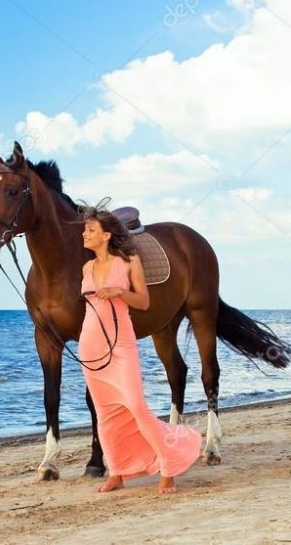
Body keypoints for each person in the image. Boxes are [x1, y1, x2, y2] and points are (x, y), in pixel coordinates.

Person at [78, 203, 202, 494]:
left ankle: (169, 465)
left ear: (106, 235)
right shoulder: (86, 267)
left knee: (136, 407)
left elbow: (144, 302)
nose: (85, 234)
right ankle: (118, 470)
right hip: (91, 347)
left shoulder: (129, 261)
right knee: (106, 412)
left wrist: (119, 292)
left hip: (121, 346)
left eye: (90, 230)